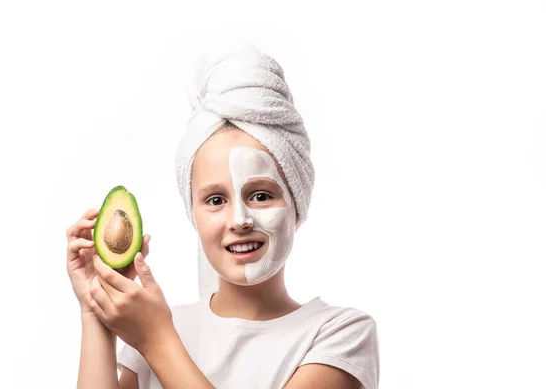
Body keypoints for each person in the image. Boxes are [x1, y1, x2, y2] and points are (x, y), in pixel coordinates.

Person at [66, 45, 380, 389]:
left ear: (297, 205)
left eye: (261, 195)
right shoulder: (165, 325)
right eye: (216, 200)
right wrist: (95, 309)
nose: (239, 219)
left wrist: (156, 338)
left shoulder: (339, 334)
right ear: (194, 216)